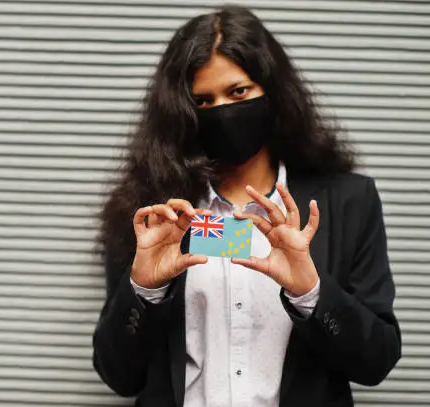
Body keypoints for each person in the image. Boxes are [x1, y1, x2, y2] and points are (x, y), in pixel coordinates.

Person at [92, 5, 401, 407]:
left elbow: (376, 362)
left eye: (238, 92)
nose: (222, 111)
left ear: (272, 91)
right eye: (202, 101)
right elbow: (119, 375)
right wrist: (144, 291)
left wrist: (311, 292)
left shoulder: (348, 202)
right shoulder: (154, 213)